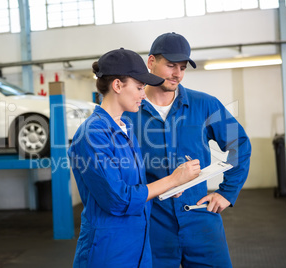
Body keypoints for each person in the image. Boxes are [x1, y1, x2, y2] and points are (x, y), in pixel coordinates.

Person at [124, 33, 252, 267]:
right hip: (153, 224)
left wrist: (227, 192)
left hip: (201, 220)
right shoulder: (129, 113)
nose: (177, 74)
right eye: (171, 65)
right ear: (151, 62)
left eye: (182, 67)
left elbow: (239, 143)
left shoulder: (205, 104)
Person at [68, 48, 201, 268]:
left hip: (139, 243)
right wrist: (173, 180)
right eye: (139, 87)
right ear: (118, 85)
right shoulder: (92, 134)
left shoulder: (126, 126)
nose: (143, 94)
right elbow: (119, 199)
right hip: (109, 249)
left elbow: (133, 185)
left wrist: (165, 189)